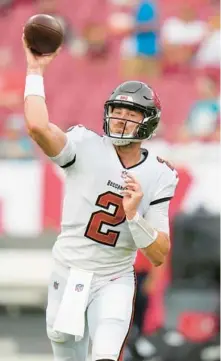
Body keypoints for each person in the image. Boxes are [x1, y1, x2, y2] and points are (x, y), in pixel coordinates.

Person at [22, 34, 178, 361]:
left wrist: (134, 216)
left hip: (113, 278)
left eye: (131, 112)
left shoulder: (160, 174)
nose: (121, 117)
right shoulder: (85, 145)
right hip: (68, 271)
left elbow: (159, 254)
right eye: (117, 110)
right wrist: (34, 70)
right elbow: (37, 127)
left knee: (105, 356)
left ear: (147, 122)